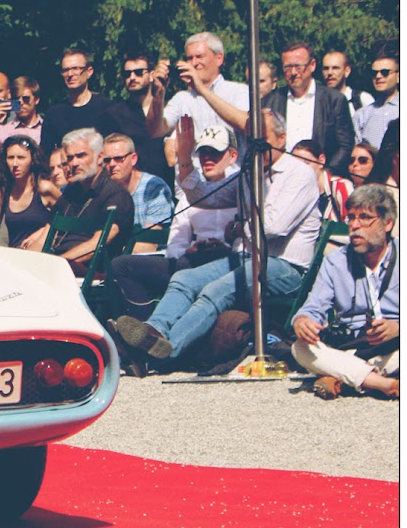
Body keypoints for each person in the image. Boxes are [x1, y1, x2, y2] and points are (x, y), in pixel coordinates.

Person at [111, 108, 321, 366]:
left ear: (282, 138)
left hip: (286, 267)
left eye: (262, 138)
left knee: (217, 290)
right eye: (250, 139)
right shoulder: (250, 173)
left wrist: (239, 227)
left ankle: (164, 354)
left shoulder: (299, 173)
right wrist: (185, 158)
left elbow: (273, 228)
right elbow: (202, 197)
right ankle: (152, 333)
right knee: (184, 279)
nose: (255, 145)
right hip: (246, 258)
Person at [110, 123, 241, 328]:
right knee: (121, 265)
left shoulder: (244, 189)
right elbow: (176, 243)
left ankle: (153, 329)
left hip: (229, 264)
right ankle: (144, 329)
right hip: (192, 262)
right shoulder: (191, 192)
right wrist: (189, 250)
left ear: (232, 156)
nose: (208, 158)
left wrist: (227, 248)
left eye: (215, 153)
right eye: (203, 152)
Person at [291, 184, 398, 399]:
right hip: (352, 344)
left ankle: (343, 377)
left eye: (365, 218)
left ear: (387, 224)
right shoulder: (335, 262)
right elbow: (313, 307)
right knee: (300, 348)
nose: (354, 226)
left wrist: (398, 327)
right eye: (351, 218)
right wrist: (302, 321)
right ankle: (385, 384)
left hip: (395, 345)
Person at [144, 31, 251, 149]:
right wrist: (158, 93)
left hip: (232, 161)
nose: (194, 63)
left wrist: (202, 90)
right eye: (189, 58)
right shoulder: (182, 98)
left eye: (200, 57)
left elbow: (246, 124)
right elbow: (155, 131)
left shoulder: (238, 91)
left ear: (219, 58)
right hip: (193, 162)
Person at [50, 128, 135, 275]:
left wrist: (58, 263)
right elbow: (46, 234)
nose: (74, 163)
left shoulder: (116, 195)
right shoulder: (69, 194)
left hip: (91, 273)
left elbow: (98, 243)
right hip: (59, 266)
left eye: (81, 155)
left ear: (100, 157)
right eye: (70, 158)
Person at [263, 42, 355, 176]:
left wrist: (325, 175)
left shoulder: (334, 100)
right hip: (279, 177)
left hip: (321, 178)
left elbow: (345, 145)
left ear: (312, 65)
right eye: (288, 67)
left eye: (298, 67)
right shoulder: (270, 101)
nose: (293, 73)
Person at [0, 135, 60, 251]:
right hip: (15, 254)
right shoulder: (3, 192)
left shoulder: (44, 188)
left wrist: (41, 232)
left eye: (21, 158)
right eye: (11, 158)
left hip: (42, 256)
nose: (15, 164)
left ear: (32, 160)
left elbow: (68, 215)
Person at [39, 49, 122, 157]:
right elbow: (45, 155)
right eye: (65, 70)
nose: (70, 74)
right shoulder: (54, 114)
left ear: (89, 71)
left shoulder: (108, 109)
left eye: (76, 69)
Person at [100, 133, 173, 246]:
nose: (112, 164)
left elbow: (150, 244)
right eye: (107, 160)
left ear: (133, 159)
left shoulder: (154, 189)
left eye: (118, 158)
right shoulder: (103, 190)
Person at [116, 51, 171, 180]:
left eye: (139, 72)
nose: (132, 77)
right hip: (133, 184)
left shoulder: (169, 109)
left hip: (167, 183)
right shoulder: (115, 114)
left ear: (151, 75)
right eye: (127, 74)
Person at [0, 75, 45, 161]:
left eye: (26, 98)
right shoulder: (4, 130)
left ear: (36, 100)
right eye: (16, 99)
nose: (21, 102)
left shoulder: (46, 128)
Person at [353, 48, 399, 151]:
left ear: (398, 76)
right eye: (374, 73)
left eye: (385, 72)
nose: (378, 76)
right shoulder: (362, 115)